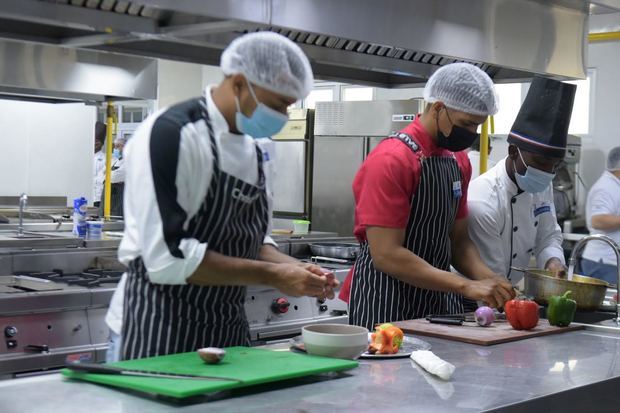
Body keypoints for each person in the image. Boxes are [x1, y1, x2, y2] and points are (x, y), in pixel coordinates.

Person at [105, 32, 337, 362]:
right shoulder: (173, 134)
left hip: (226, 328)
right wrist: (273, 275)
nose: (282, 117)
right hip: (157, 326)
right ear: (239, 84)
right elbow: (166, 258)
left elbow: (251, 241)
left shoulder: (258, 148)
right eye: (276, 105)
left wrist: (296, 268)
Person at [342, 63, 515, 331]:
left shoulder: (458, 161)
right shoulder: (392, 159)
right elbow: (386, 254)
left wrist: (492, 281)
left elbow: (458, 241)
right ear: (438, 108)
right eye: (466, 124)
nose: (471, 134)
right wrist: (465, 285)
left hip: (435, 297)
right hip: (385, 298)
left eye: (477, 127)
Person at [468, 77, 576, 284]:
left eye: (555, 165)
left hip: (504, 291)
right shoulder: (484, 198)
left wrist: (553, 261)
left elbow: (548, 234)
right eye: (541, 162)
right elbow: (492, 272)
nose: (548, 172)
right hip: (473, 296)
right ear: (513, 151)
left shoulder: (542, 184)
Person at [581, 146, 620, 285]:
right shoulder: (605, 187)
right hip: (602, 262)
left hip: (610, 261)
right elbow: (598, 220)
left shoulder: (615, 186)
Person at [98, 135, 127, 217]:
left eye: (118, 146)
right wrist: (108, 175)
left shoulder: (128, 161)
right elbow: (100, 176)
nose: (115, 149)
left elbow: (115, 177)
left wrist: (107, 174)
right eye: (114, 147)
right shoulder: (113, 161)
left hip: (118, 200)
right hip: (106, 199)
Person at [92, 122, 106, 208]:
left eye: (97, 141)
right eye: (94, 140)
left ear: (101, 143)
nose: (95, 143)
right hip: (86, 195)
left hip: (99, 197)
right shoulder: (84, 156)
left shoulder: (106, 158)